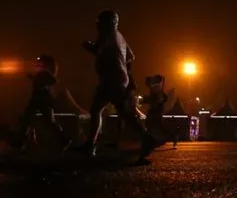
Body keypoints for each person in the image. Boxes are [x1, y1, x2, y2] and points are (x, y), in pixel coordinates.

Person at [75, 10, 162, 162]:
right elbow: (131, 56)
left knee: (123, 113)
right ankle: (91, 144)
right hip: (116, 78)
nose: (97, 25)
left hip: (112, 79)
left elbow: (97, 50)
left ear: (106, 23)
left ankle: (147, 139)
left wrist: (87, 45)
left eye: (99, 22)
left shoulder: (107, 34)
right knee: (98, 109)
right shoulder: (119, 36)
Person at [9, 55, 72, 151]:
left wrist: (42, 85)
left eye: (40, 62)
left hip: (43, 100)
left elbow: (54, 81)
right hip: (37, 99)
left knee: (48, 121)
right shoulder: (41, 72)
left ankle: (64, 139)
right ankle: (21, 141)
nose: (38, 63)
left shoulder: (45, 72)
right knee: (28, 119)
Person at [142, 75, 178, 148]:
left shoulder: (156, 90)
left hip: (155, 111)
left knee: (155, 126)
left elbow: (158, 99)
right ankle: (160, 139)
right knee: (155, 126)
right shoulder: (155, 89)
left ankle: (170, 137)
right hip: (154, 111)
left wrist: (145, 100)